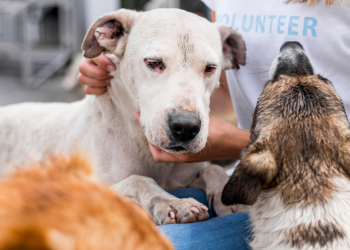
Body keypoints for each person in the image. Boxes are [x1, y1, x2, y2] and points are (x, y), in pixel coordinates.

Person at [77, 0, 350, 249]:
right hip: (249, 180)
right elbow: (220, 89)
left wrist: (238, 143)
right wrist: (123, 69)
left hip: (332, 192)